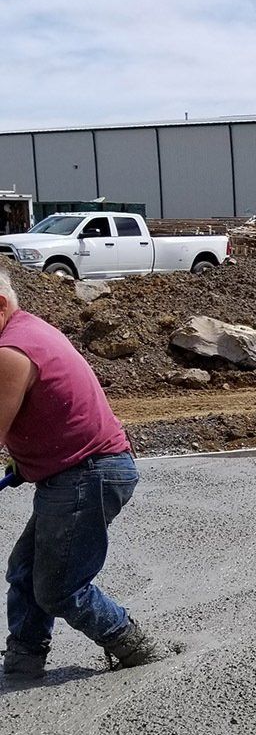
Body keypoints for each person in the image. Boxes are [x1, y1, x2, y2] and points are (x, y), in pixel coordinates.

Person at [0, 268, 163, 681]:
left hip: (87, 472)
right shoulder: (26, 331)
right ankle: (23, 661)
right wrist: (26, 460)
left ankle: (135, 646)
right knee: (26, 569)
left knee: (58, 586)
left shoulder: (12, 350)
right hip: (79, 469)